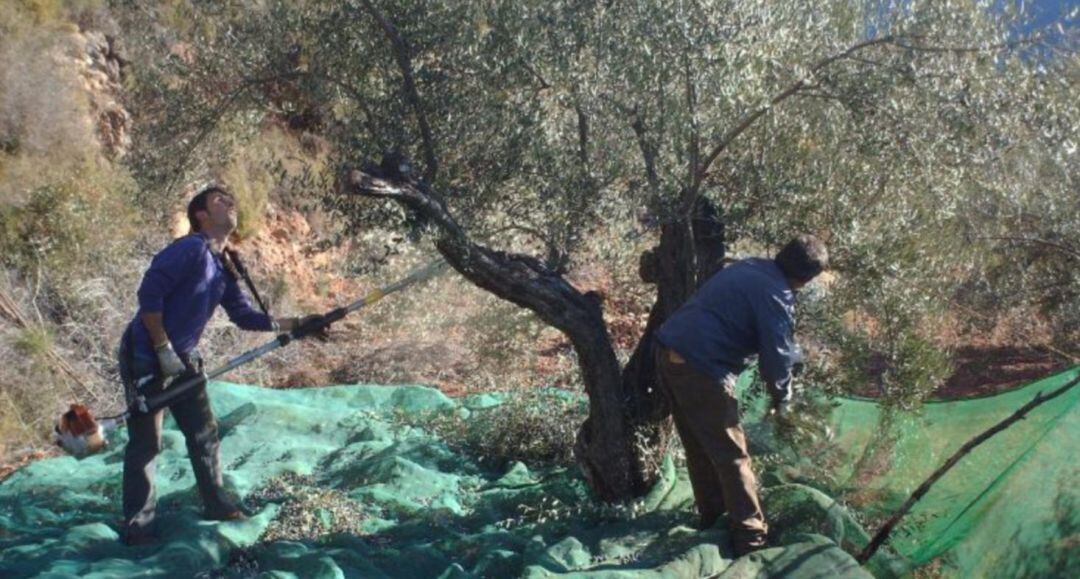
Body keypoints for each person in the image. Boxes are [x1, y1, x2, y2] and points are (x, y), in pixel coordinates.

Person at [118, 185, 329, 545]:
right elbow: (149, 295)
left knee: (204, 436)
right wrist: (163, 348)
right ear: (200, 215)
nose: (230, 203)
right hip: (146, 354)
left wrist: (298, 323)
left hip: (184, 358)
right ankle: (139, 525)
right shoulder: (189, 249)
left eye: (231, 199)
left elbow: (245, 316)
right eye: (220, 200)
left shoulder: (222, 263)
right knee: (146, 443)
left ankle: (216, 505)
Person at [655, 234, 827, 556]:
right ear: (806, 279)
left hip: (669, 355)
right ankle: (751, 539)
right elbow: (776, 361)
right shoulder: (777, 295)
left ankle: (714, 518)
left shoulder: (750, 266)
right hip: (701, 368)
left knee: (701, 447)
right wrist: (783, 399)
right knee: (733, 458)